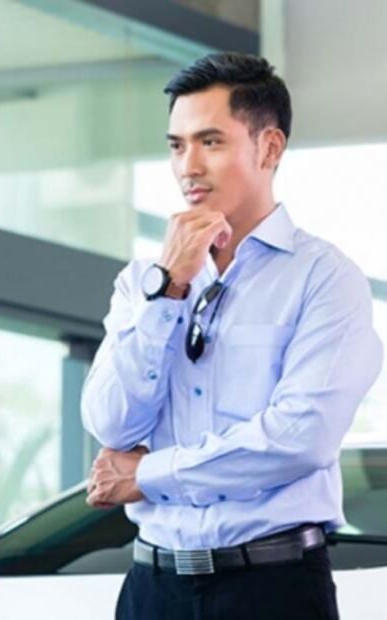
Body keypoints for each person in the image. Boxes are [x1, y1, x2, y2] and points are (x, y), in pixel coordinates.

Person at [81, 52, 383, 620]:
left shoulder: (324, 278)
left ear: (268, 148)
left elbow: (299, 438)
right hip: (152, 588)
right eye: (176, 146)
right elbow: (111, 422)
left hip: (272, 587)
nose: (188, 166)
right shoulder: (143, 281)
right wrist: (169, 288)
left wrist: (148, 475)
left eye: (211, 142)